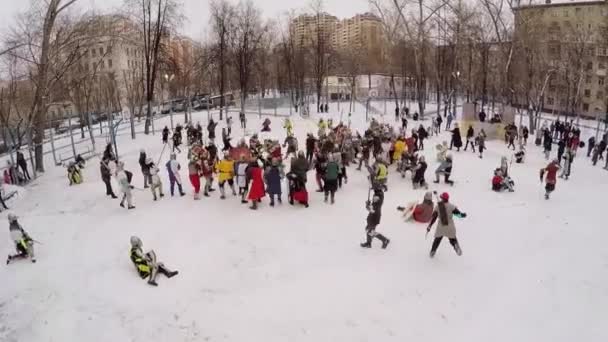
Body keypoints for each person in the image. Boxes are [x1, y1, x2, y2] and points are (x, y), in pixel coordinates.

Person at [426, 192, 466, 258]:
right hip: (450, 226)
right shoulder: (451, 206)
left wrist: (430, 225)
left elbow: (434, 218)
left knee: (437, 240)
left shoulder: (438, 206)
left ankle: (433, 251)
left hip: (441, 227)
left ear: (442, 198)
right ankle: (455, 246)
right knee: (453, 239)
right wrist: (463, 215)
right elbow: (458, 214)